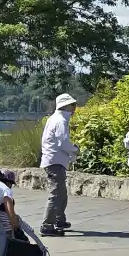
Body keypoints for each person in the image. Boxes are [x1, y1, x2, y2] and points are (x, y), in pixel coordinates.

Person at [38, 93, 78, 237]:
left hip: (53, 159)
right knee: (56, 193)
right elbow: (63, 142)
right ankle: (47, 225)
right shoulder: (61, 120)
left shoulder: (54, 119)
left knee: (61, 192)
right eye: (72, 105)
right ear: (65, 106)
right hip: (55, 160)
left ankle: (59, 219)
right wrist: (75, 150)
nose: (74, 108)